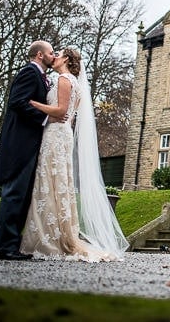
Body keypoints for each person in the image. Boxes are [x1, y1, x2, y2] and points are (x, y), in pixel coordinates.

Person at [20, 47, 128, 261]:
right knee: (59, 182)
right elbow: (68, 116)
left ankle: (50, 238)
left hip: (55, 135)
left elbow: (60, 111)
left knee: (50, 182)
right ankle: (58, 233)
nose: (55, 57)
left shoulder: (63, 80)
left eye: (58, 54)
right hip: (63, 134)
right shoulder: (75, 84)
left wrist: (35, 104)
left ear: (66, 59)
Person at [0, 40, 56, 261]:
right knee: (14, 194)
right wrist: (46, 118)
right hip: (20, 144)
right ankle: (4, 247)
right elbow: (17, 102)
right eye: (50, 52)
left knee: (23, 195)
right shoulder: (29, 72)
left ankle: (12, 245)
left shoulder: (40, 76)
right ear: (39, 55)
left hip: (30, 144)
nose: (53, 56)